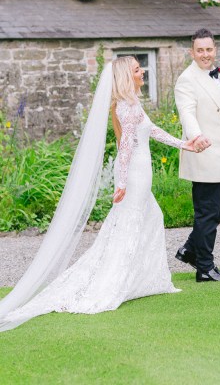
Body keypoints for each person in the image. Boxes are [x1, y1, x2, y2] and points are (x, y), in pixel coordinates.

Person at [0, 56, 204, 332]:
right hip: (135, 175)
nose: (141, 71)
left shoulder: (131, 104)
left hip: (138, 173)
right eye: (136, 70)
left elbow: (151, 131)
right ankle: (113, 284)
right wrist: (121, 183)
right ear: (125, 77)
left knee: (149, 217)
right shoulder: (127, 108)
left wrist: (184, 145)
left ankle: (143, 279)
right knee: (129, 226)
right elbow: (126, 149)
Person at [174, 28, 220, 282]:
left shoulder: (216, 75)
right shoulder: (187, 79)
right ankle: (204, 267)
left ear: (215, 49)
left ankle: (190, 249)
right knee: (207, 212)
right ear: (192, 52)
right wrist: (196, 135)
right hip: (204, 153)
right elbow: (187, 112)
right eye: (200, 50)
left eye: (209, 49)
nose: (205, 54)